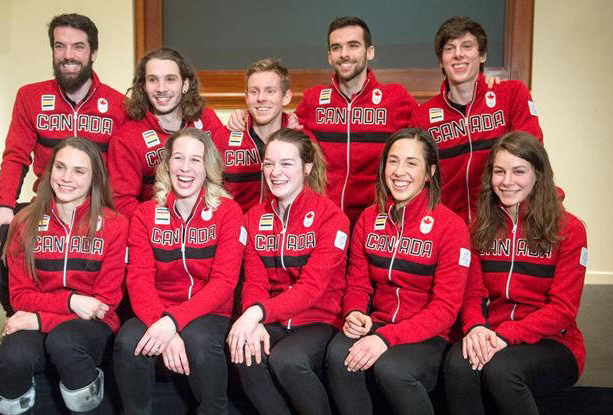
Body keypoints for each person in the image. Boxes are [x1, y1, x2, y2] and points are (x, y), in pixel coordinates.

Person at [0, 13, 127, 355]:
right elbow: (16, 154)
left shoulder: (119, 105)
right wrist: (3, 205)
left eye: (78, 46)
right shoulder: (30, 97)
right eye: (60, 46)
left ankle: (102, 322)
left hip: (99, 208)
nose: (68, 54)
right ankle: (18, 319)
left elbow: (126, 167)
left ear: (93, 52)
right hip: (47, 204)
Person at [325, 128, 471, 414]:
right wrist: (354, 312)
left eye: (411, 163)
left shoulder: (451, 227)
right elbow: (358, 283)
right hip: (379, 322)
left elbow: (445, 308)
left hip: (431, 335)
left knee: (392, 368)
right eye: (393, 161)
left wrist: (386, 338)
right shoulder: (369, 218)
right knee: (338, 354)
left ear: (429, 173)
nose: (399, 171)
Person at [444, 132, 587, 415]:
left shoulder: (569, 230)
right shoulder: (478, 228)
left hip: (554, 342)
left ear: (538, 174)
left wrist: (507, 335)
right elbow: (471, 293)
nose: (507, 181)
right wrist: (475, 327)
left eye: (518, 171)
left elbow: (563, 309)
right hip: (492, 333)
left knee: (501, 370)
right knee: (457, 365)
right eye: (500, 171)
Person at [229, 17, 417, 224]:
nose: (344, 54)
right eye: (336, 47)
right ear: (329, 57)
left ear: (369, 52)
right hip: (322, 222)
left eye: (353, 45)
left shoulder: (396, 99)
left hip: (377, 221)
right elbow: (280, 123)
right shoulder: (313, 100)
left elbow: (423, 151)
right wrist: (245, 115)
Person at [0, 137, 128, 415]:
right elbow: (19, 296)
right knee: (14, 357)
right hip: (43, 316)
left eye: (79, 171)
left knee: (63, 341)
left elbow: (104, 304)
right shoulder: (25, 222)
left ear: (94, 178)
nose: (67, 178)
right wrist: (70, 303)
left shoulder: (114, 224)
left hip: (92, 325)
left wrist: (40, 319)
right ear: (50, 170)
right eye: (61, 167)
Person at [113, 128, 245, 415]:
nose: (186, 168)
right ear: (167, 164)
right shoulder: (145, 214)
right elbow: (138, 279)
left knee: (197, 338)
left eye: (195, 160)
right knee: (128, 340)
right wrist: (164, 324)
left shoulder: (228, 213)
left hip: (210, 313)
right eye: (179, 158)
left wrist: (173, 322)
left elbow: (224, 283)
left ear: (208, 166)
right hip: (158, 310)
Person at [227, 128, 349, 415]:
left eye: (286, 164)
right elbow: (255, 281)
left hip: (319, 318)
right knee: (246, 353)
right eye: (269, 163)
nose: (275, 172)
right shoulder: (254, 217)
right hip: (274, 318)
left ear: (307, 167)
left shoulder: (332, 217)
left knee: (287, 360)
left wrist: (256, 314)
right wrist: (253, 318)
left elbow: (311, 288)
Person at [411, 16, 543, 223]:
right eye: (449, 48)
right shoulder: (423, 115)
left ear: (482, 55)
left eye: (467, 46)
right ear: (440, 61)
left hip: (504, 224)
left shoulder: (511, 95)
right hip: (451, 227)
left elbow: (534, 156)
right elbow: (419, 179)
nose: (458, 54)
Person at [108, 48, 223, 218]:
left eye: (170, 79)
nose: (161, 88)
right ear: (143, 86)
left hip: (208, 223)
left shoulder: (208, 120)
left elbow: (225, 178)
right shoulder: (127, 138)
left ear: (185, 84)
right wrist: (159, 225)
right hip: (157, 231)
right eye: (153, 80)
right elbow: (121, 201)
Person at [212, 58, 297, 212]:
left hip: (285, 232)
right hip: (235, 231)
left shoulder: (301, 139)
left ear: (286, 97)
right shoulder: (222, 139)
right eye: (254, 91)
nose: (260, 98)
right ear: (246, 97)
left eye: (270, 91)